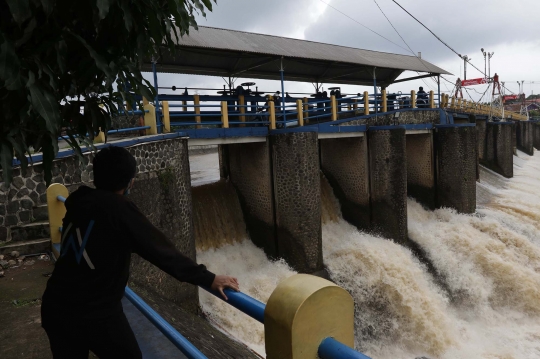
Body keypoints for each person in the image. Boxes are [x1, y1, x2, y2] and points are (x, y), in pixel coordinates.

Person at [41, 146, 239, 359]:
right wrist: (209, 279)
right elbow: (162, 252)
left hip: (56, 305)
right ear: (130, 182)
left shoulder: (79, 202)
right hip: (95, 311)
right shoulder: (118, 209)